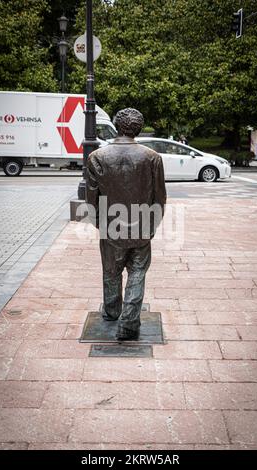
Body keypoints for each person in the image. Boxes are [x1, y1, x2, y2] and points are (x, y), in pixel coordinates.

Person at [86, 108, 166, 341]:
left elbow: (92, 197)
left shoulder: (97, 157)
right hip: (141, 225)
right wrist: (152, 224)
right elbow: (159, 197)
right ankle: (129, 321)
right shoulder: (152, 157)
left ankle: (112, 311)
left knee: (111, 271)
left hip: (110, 225)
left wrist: (99, 223)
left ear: (117, 125)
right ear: (139, 128)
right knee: (137, 272)